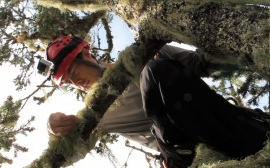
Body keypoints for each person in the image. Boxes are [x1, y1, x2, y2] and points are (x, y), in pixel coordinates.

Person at [42, 35, 268, 168]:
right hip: (182, 152)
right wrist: (52, 128)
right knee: (154, 71)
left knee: (155, 69)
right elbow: (72, 151)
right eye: (68, 81)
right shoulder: (96, 113)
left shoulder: (144, 55)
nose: (75, 81)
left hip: (222, 125)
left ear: (85, 53)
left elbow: (204, 64)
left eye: (72, 69)